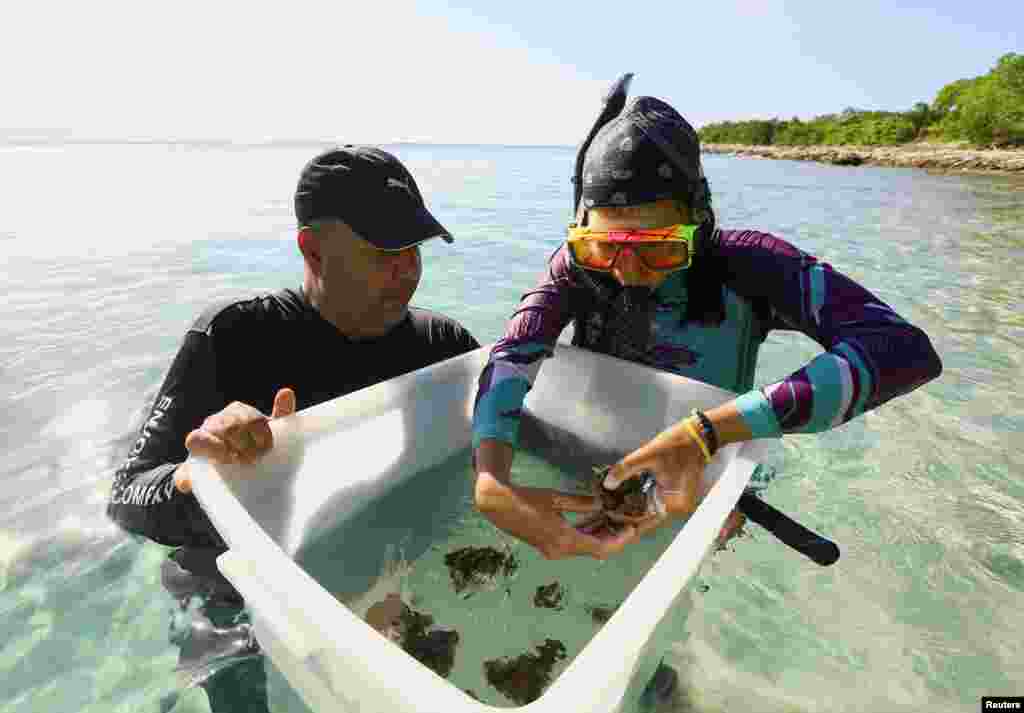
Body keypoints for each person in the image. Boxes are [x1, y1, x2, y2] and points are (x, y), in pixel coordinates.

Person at [470, 88, 942, 705]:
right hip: (593, 473)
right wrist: (492, 478)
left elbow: (902, 351)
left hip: (698, 485)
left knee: (658, 642)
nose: (629, 272)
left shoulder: (749, 266)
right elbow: (512, 356)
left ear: (701, 219)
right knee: (558, 615)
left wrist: (706, 434)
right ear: (581, 227)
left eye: (660, 248)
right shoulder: (573, 266)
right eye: (605, 246)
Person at [107, 146, 480, 712]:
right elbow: (126, 497)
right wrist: (197, 474)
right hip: (238, 599)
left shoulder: (443, 348)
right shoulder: (233, 337)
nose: (407, 270)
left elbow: (504, 447)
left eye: (414, 250)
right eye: (384, 252)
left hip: (382, 583)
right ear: (312, 248)